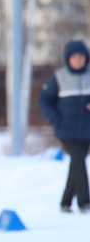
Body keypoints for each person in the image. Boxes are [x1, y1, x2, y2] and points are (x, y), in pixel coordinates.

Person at [39, 39, 90, 213]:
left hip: (87, 129)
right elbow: (44, 100)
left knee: (77, 162)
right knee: (78, 159)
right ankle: (85, 202)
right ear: (68, 59)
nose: (78, 60)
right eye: (74, 57)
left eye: (81, 57)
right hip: (66, 129)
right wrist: (55, 119)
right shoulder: (59, 77)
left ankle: (65, 202)